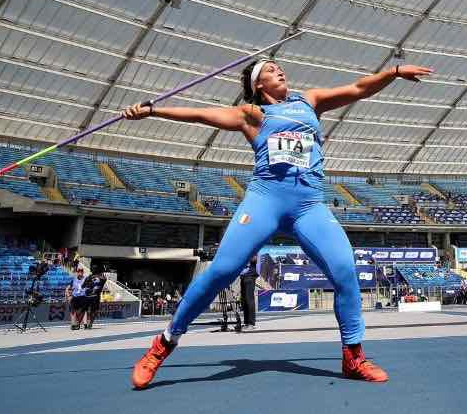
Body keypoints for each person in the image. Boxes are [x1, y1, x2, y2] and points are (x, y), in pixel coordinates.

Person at [124, 59, 432, 389]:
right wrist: (154, 110)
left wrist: (394, 72)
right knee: (222, 271)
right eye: (270, 70)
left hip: (308, 206)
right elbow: (202, 113)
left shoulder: (310, 101)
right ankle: (163, 344)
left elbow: (359, 88)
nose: (280, 71)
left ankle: (353, 357)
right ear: (259, 85)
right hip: (265, 201)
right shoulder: (252, 115)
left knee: (345, 270)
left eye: (279, 67)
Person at [82, 265, 107, 329]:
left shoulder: (89, 277)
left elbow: (83, 286)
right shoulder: (101, 277)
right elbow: (104, 279)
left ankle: (89, 322)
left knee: (90, 310)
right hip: (94, 296)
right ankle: (90, 323)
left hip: (90, 295)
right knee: (93, 310)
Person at [239, 254, 258, 329]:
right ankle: (246, 322)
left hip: (250, 276)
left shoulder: (252, 249)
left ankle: (251, 323)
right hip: (243, 276)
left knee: (249, 299)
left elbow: (255, 259)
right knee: (244, 300)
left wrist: (245, 258)